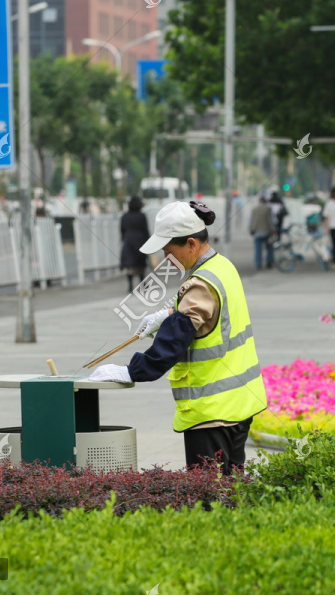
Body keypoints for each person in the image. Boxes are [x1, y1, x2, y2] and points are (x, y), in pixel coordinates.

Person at [89, 201, 267, 476]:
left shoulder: (202, 283)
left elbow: (174, 342)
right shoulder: (223, 267)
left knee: (208, 497)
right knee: (232, 491)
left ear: (192, 244)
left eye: (169, 251)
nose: (166, 259)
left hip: (211, 413)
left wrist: (131, 371)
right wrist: (167, 313)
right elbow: (206, 314)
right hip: (239, 404)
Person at [120, 196, 151, 293]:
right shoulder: (141, 216)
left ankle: (130, 286)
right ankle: (142, 284)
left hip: (128, 241)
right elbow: (145, 230)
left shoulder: (125, 216)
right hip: (140, 241)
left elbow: (122, 229)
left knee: (130, 265)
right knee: (140, 264)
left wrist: (124, 239)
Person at [249, 196, 274, 270]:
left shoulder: (254, 209)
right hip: (266, 231)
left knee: (258, 249)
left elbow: (251, 220)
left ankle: (258, 263)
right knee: (269, 247)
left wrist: (251, 229)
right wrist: (272, 229)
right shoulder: (267, 209)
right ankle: (269, 262)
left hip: (257, 232)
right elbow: (270, 220)